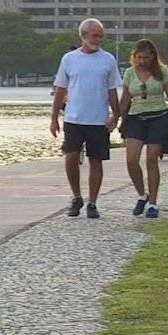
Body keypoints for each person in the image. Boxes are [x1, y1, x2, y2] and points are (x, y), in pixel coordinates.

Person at [51, 19, 122, 219]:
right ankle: (76, 196)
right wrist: (54, 117)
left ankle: (93, 201)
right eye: (94, 36)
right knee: (71, 156)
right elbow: (60, 90)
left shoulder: (107, 59)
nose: (98, 40)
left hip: (98, 119)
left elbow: (112, 91)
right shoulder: (69, 59)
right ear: (83, 35)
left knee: (96, 160)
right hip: (74, 117)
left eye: (100, 36)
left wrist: (115, 115)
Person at [118, 38, 168, 219]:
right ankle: (141, 194)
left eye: (146, 58)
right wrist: (115, 117)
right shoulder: (130, 73)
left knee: (151, 160)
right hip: (136, 117)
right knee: (131, 160)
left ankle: (153, 203)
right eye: (139, 58)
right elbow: (124, 100)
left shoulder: (162, 72)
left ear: (152, 56)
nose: (142, 61)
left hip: (158, 117)